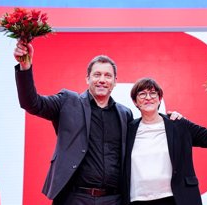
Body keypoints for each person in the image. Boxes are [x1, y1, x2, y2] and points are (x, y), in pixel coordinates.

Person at [13, 41, 182, 205]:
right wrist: (25, 68)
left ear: (115, 82)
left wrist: (169, 119)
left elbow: (147, 134)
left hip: (113, 199)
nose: (102, 80)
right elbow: (31, 103)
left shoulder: (125, 114)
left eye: (108, 76)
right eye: (97, 75)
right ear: (87, 79)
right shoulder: (67, 101)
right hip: (74, 198)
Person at [123, 78, 207, 205]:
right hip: (138, 200)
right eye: (142, 94)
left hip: (175, 199)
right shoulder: (127, 130)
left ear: (160, 98)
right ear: (135, 101)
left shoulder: (178, 124)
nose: (148, 97)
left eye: (153, 93)